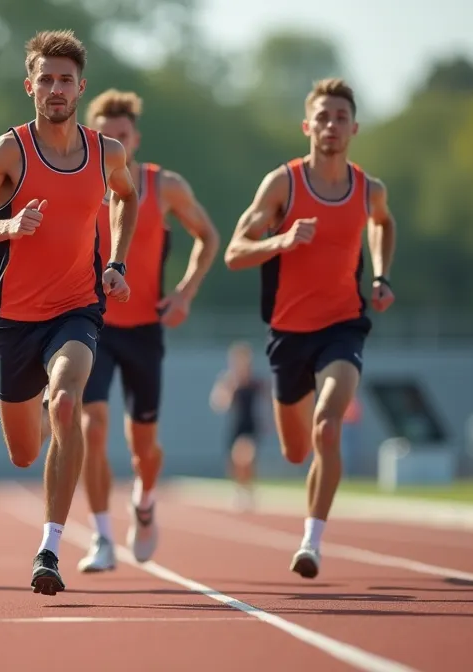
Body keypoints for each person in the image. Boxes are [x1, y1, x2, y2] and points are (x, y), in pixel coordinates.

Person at [0, 29, 137, 596]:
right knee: (25, 453)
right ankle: (37, 408)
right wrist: (7, 225)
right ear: (29, 86)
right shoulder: (10, 152)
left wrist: (117, 262)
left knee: (68, 401)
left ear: (81, 88)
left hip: (77, 307)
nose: (56, 88)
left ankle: (49, 547)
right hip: (15, 318)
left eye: (65, 80)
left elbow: (127, 196)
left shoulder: (107, 153)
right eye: (46, 79)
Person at [222, 78, 396, 580]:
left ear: (354, 128)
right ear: (307, 126)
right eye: (322, 117)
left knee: (328, 425)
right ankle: (310, 520)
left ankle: (311, 541)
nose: (331, 125)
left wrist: (381, 276)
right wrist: (280, 241)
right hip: (288, 334)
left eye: (341, 117)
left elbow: (383, 223)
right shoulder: (284, 185)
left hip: (343, 326)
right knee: (296, 449)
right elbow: (234, 252)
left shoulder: (369, 189)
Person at [73, 89, 221, 573]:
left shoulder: (164, 186)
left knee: (143, 448)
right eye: (104, 135)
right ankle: (101, 536)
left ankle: (145, 498)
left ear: (135, 138)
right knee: (92, 428)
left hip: (143, 330)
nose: (113, 143)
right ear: (92, 137)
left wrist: (184, 293)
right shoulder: (77, 183)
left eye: (122, 135)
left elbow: (208, 237)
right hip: (92, 325)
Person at [209, 341, 266, 512]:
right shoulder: (229, 382)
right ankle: (241, 489)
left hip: (251, 427)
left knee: (245, 457)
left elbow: (266, 403)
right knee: (235, 463)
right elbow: (218, 403)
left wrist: (267, 422)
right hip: (236, 427)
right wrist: (229, 390)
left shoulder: (256, 383)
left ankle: (248, 490)